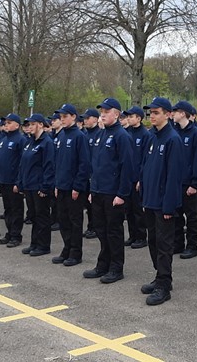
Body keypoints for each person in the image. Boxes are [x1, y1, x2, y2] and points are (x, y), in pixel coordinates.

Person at [138, 97, 183, 306]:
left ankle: (164, 285)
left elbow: (174, 176)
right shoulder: (152, 137)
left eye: (156, 113)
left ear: (167, 114)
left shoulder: (172, 139)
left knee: (164, 245)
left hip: (163, 203)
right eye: (151, 113)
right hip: (150, 200)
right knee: (153, 241)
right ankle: (159, 276)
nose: (152, 116)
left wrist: (169, 206)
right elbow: (146, 165)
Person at [85, 98, 134, 284]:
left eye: (106, 111)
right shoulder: (100, 135)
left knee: (113, 231)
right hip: (98, 190)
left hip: (113, 193)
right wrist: (92, 188)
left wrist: (122, 194)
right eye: (101, 112)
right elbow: (96, 165)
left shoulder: (122, 136)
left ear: (116, 114)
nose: (102, 115)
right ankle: (103, 264)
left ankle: (116, 267)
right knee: (101, 229)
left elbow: (126, 167)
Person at [52, 104, 91, 267]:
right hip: (61, 185)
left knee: (75, 221)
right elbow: (57, 163)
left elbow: (84, 164)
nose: (62, 119)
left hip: (73, 188)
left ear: (73, 117)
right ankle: (66, 248)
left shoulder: (79, 136)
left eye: (65, 116)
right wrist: (56, 184)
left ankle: (75, 252)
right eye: (61, 117)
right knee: (63, 219)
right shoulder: (60, 136)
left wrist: (77, 186)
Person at [18, 114, 55, 257]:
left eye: (32, 124)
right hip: (29, 185)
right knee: (33, 216)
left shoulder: (46, 142)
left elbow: (49, 166)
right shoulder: (29, 142)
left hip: (39, 186)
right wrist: (21, 183)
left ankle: (43, 245)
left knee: (42, 216)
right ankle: (34, 243)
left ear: (40, 125)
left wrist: (45, 187)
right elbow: (23, 164)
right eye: (28, 125)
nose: (29, 127)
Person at [171, 100, 197, 259]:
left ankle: (192, 246)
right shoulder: (174, 131)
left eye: (176, 112)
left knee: (192, 216)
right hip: (176, 183)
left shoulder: (195, 133)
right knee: (176, 215)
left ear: (183, 113)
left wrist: (195, 183)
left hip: (189, 183)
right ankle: (178, 244)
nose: (173, 114)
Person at [0, 114, 27, 246]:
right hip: (3, 180)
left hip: (13, 181)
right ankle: (9, 233)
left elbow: (22, 163)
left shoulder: (21, 140)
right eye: (5, 123)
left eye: (9, 123)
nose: (6, 125)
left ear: (17, 125)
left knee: (16, 209)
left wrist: (18, 182)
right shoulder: (3, 140)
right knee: (7, 209)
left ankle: (16, 235)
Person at [123, 107, 152, 249]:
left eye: (131, 116)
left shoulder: (145, 135)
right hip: (127, 177)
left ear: (139, 118)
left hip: (137, 178)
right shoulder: (127, 133)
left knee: (138, 209)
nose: (128, 119)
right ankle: (132, 235)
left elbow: (145, 158)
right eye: (127, 116)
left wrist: (141, 179)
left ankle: (141, 236)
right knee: (128, 209)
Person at [82, 107, 101, 240]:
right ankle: (90, 225)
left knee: (94, 204)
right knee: (88, 204)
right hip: (86, 174)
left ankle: (95, 226)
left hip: (95, 174)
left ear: (95, 119)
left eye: (87, 118)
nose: (85, 121)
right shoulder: (84, 135)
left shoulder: (99, 134)